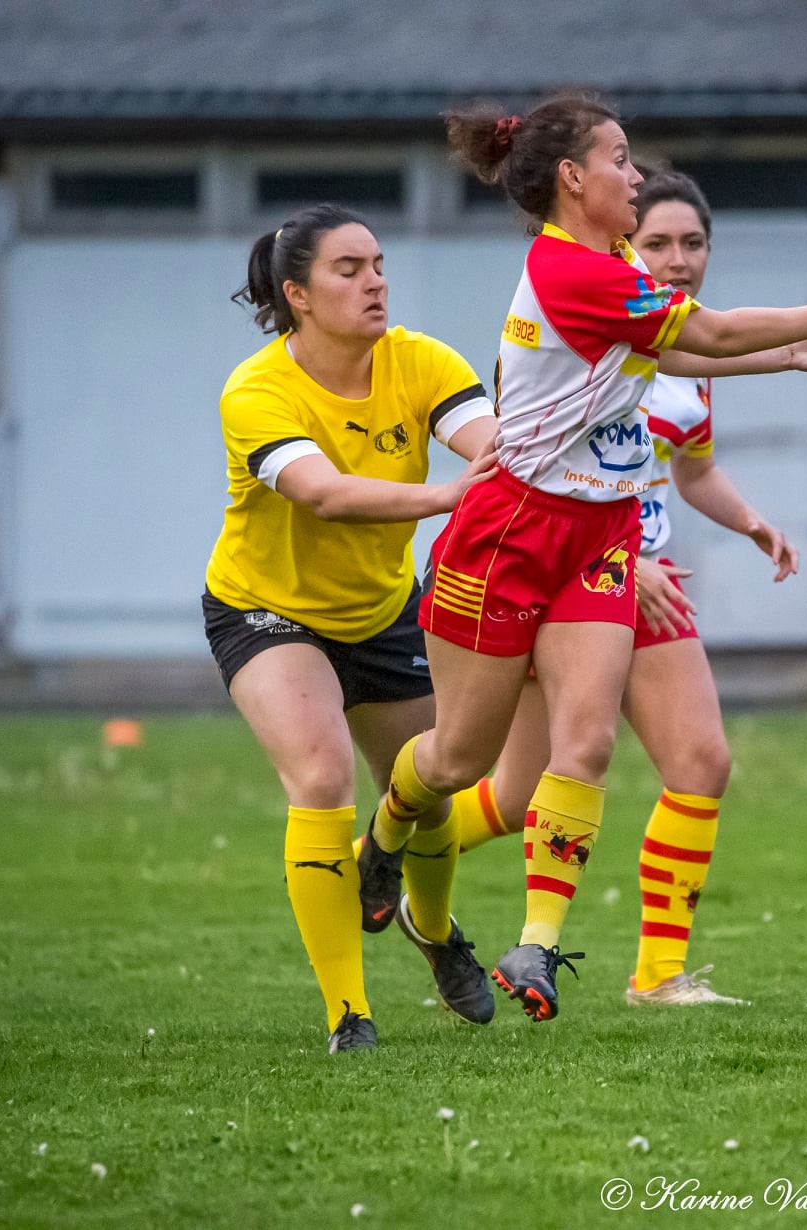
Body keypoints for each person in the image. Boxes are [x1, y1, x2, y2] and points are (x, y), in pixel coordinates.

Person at [362, 93, 807, 1023]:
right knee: (460, 762)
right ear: (572, 177)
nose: (636, 174)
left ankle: (536, 949)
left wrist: (793, 353)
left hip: (603, 533)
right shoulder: (570, 271)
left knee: (585, 744)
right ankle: (384, 836)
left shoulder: (615, 261)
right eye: (620, 159)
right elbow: (702, 333)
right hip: (510, 530)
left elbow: (676, 355)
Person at [453, 168, 807, 1007]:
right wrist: (624, 560)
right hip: (575, 571)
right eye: (659, 244)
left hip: (644, 576)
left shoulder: (690, 357)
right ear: (623, 248)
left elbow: (693, 470)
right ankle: (377, 863)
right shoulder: (583, 332)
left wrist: (751, 522)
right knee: (514, 792)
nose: (677, 260)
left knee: (700, 761)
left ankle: (658, 975)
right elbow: (543, 470)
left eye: (694, 244)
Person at [204, 203, 501, 1054]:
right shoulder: (256, 389)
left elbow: (489, 446)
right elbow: (324, 495)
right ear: (296, 293)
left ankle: (435, 932)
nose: (374, 280)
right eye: (348, 268)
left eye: (378, 264)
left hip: (381, 610)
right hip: (266, 611)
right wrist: (449, 496)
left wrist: (505, 459)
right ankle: (348, 1015)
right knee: (324, 775)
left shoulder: (419, 360)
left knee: (435, 782)